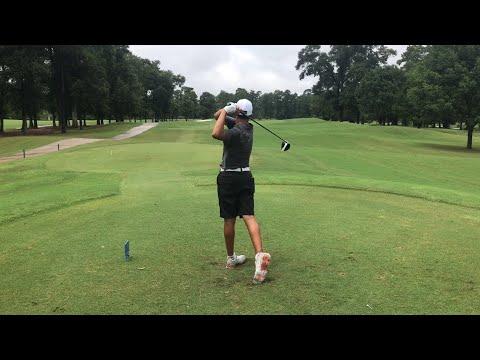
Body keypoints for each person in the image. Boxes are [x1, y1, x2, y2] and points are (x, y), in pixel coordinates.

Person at [211, 99, 271, 284]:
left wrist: (225, 110)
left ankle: (231, 259)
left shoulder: (235, 132)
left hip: (228, 178)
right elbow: (217, 116)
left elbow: (215, 132)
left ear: (237, 113)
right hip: (245, 176)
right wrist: (226, 111)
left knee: (229, 219)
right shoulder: (248, 128)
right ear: (249, 115)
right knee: (249, 215)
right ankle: (259, 255)